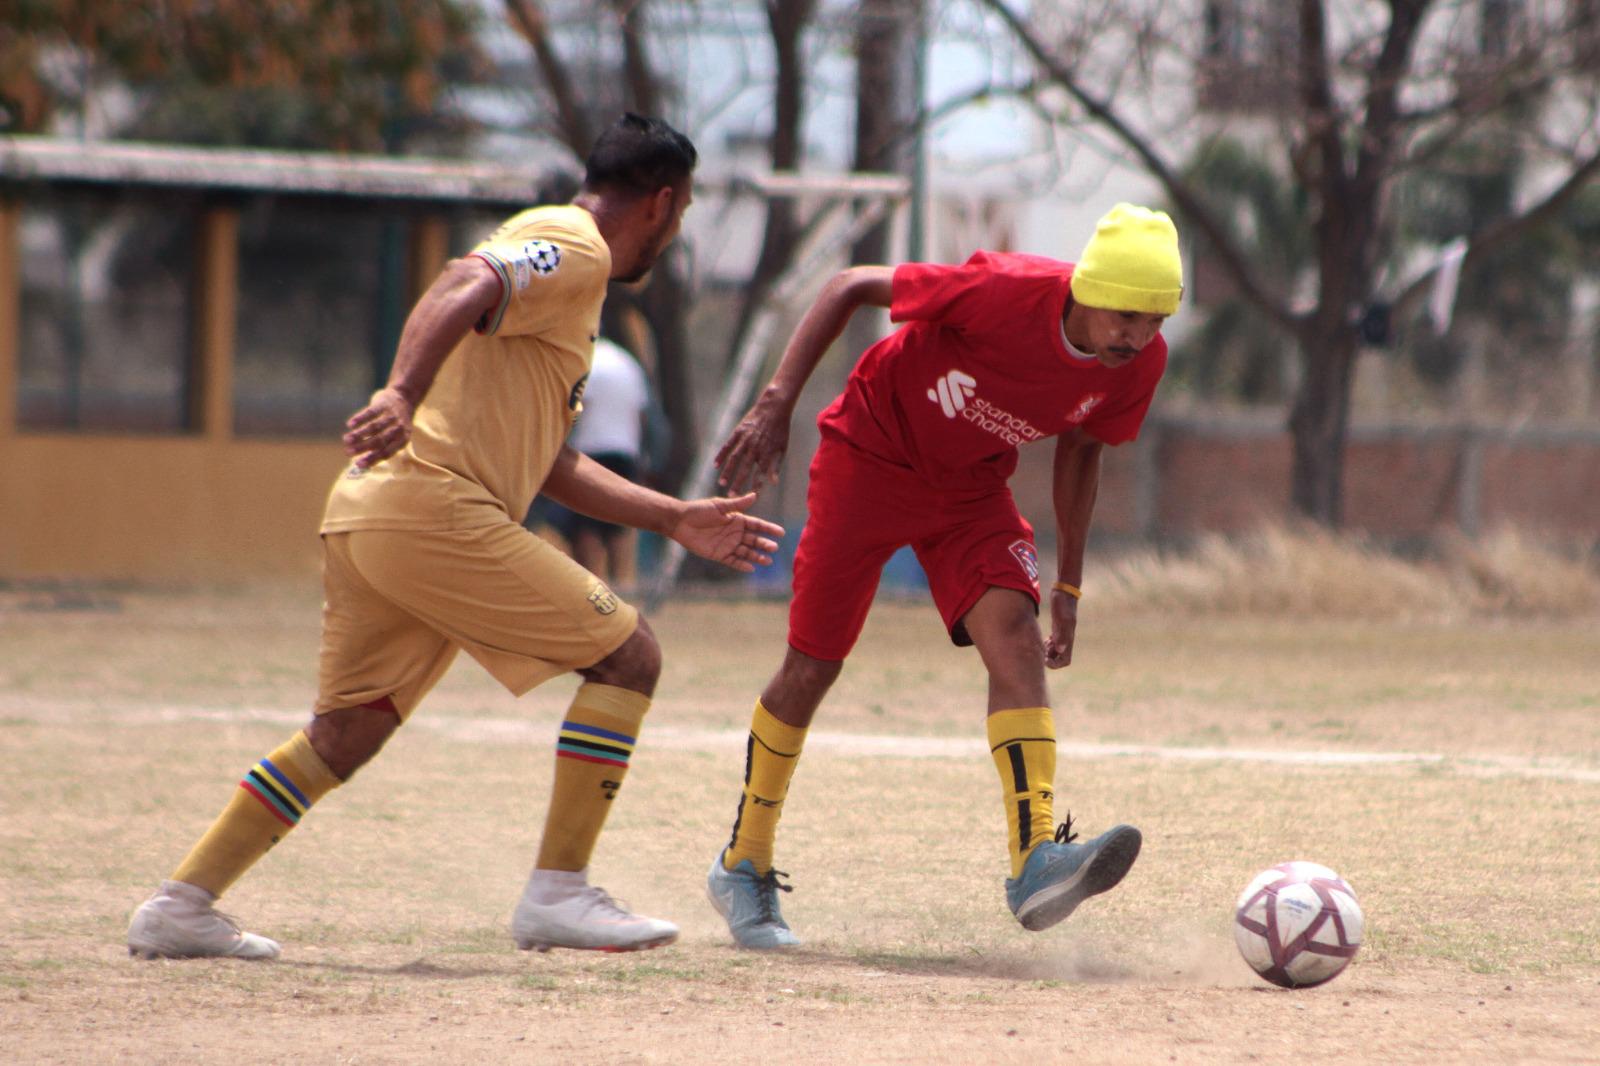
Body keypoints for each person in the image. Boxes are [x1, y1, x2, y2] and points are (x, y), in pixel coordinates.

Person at [126, 113, 783, 961]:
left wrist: (669, 516)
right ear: (660, 203)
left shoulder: (565, 289)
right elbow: (458, 285)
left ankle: (181, 904)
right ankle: (559, 890)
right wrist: (401, 392)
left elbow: (547, 460)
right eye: (684, 211)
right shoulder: (573, 243)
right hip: (432, 506)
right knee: (630, 655)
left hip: (377, 514)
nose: (677, 230)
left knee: (348, 730)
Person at [705, 203, 1182, 949]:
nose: (1137, 335)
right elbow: (849, 285)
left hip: (968, 490)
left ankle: (1035, 862)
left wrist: (1070, 588)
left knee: (1016, 639)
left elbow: (1083, 452)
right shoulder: (1004, 290)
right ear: (1086, 288)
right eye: (1125, 314)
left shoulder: (1138, 365)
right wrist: (776, 402)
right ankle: (742, 864)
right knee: (811, 668)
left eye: (1155, 320)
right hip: (868, 457)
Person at [529, 336, 655, 589]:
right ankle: (623, 585)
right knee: (619, 527)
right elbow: (642, 414)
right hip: (626, 451)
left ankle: (595, 587)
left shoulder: (583, 361)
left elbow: (574, 408)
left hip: (589, 452)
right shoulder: (627, 362)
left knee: (586, 527)